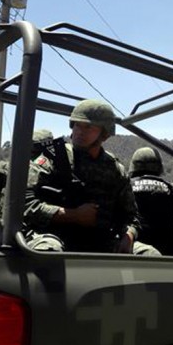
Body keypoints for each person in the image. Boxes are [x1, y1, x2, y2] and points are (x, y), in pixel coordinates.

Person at [23, 100, 159, 255]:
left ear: (104, 133)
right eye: (76, 125)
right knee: (49, 251)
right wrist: (73, 215)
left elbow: (132, 216)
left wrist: (128, 235)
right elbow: (22, 203)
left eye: (88, 127)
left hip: (100, 240)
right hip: (53, 235)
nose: (79, 131)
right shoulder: (53, 158)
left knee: (150, 254)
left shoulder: (115, 169)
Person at [128, 147, 173, 256]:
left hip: (137, 252)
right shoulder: (171, 189)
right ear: (158, 167)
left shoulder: (126, 187)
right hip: (168, 254)